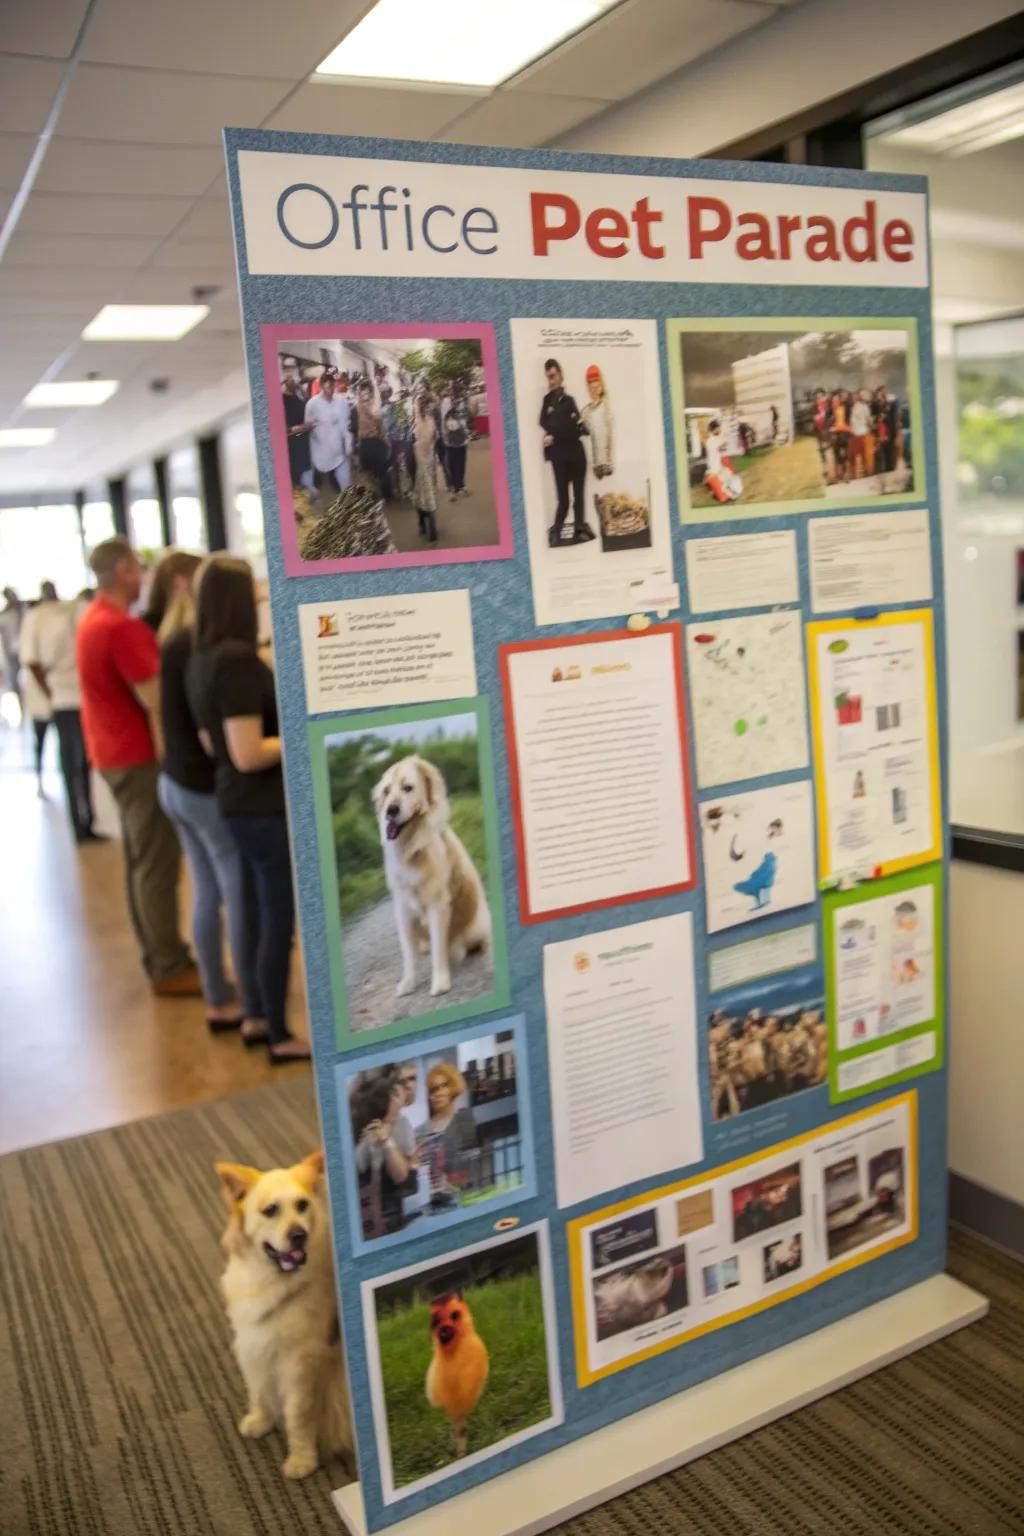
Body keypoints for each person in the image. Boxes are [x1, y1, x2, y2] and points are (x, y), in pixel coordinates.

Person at [186, 554, 309, 1061]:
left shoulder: (200, 657)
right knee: (275, 923)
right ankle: (279, 1033)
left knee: (258, 915)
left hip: (236, 804)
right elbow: (246, 751)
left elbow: (214, 746)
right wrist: (302, 735)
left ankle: (259, 1017)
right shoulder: (237, 661)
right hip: (262, 808)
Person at [148, 550, 266, 1038]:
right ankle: (251, 1006)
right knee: (236, 892)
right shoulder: (202, 648)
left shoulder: (171, 640)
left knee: (206, 891)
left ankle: (218, 997)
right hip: (203, 788)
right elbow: (210, 735)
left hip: (172, 782)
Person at [76, 537, 199, 994]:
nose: (144, 577)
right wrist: (174, 768)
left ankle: (160, 956)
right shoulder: (120, 629)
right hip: (138, 759)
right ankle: (169, 964)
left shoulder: (93, 621)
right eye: (137, 568)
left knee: (140, 861)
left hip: (112, 755)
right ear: (125, 570)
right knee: (156, 864)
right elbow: (156, 704)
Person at [20, 581, 99, 841]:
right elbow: (31, 661)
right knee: (68, 760)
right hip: (58, 698)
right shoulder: (36, 618)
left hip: (76, 695)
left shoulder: (73, 611)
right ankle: (78, 822)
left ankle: (87, 820)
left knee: (82, 760)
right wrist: (50, 693)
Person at [352, 1072, 416, 1239]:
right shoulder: (367, 1128)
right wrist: (368, 1144)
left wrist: (387, 1141)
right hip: (368, 1216)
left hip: (393, 1214)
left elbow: (401, 1175)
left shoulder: (404, 1125)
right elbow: (359, 1167)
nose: (401, 1096)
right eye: (394, 1094)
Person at [540, 358, 592, 547]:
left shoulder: (570, 401)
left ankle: (579, 529)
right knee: (563, 499)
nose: (551, 381)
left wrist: (583, 426)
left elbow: (579, 428)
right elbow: (544, 422)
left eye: (553, 376)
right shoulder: (547, 401)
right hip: (559, 457)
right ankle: (557, 530)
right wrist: (563, 428)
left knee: (579, 496)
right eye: (548, 377)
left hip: (577, 455)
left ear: (561, 375)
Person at [416, 1061, 478, 1208]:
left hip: (461, 1198)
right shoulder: (420, 1131)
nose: (437, 1094)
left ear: (453, 1088)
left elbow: (472, 1162)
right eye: (432, 1090)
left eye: (443, 1086)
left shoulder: (464, 1120)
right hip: (431, 1202)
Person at [295, 370, 353, 497]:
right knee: (310, 471)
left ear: (334, 386)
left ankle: (347, 501)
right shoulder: (312, 404)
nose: (329, 391)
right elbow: (307, 424)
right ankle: (310, 492)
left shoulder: (341, 401)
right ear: (321, 387)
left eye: (331, 387)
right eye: (326, 388)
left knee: (345, 481)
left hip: (338, 445)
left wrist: (348, 442)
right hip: (319, 445)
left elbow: (346, 424)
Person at [355, 380, 393, 501]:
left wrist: (385, 439)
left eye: (366, 392)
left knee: (381, 470)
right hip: (365, 442)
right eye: (362, 392)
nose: (364, 395)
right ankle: (372, 495)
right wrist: (359, 441)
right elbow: (359, 426)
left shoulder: (374, 406)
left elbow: (379, 422)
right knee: (366, 471)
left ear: (370, 393)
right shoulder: (358, 406)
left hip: (376, 441)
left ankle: (387, 494)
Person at [413, 392, 440, 542]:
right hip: (425, 459)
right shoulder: (425, 421)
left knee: (422, 491)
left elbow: (428, 440)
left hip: (425, 458)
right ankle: (425, 523)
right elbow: (430, 439)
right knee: (424, 490)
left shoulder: (424, 421)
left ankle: (424, 524)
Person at [580, 364, 613, 479]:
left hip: (606, 462)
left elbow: (609, 434)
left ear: (601, 386)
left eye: (596, 387)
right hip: (595, 464)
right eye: (591, 388)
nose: (594, 390)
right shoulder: (586, 411)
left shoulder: (606, 406)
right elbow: (583, 428)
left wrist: (609, 462)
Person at [440, 382, 471, 501]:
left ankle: (456, 487)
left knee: (453, 463)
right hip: (461, 437)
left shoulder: (446, 402)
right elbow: (466, 418)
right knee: (461, 462)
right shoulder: (462, 401)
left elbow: (443, 420)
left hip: (451, 437)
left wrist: (444, 434)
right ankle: (461, 485)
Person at [282, 375, 313, 491]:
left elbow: (308, 402)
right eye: (290, 381)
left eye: (294, 381)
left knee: (305, 466)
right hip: (293, 439)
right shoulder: (282, 400)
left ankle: (307, 488)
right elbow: (284, 428)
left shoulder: (298, 396)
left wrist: (300, 389)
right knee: (297, 469)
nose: (293, 383)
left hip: (303, 437)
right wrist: (299, 428)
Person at [0, 586, 23, 711]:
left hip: (20, 652)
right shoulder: (8, 614)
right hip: (12, 654)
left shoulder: (19, 612)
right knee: (15, 684)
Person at [848, 389, 873, 480]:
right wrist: (872, 427)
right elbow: (869, 420)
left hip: (857, 433)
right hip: (863, 433)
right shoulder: (864, 407)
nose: (867, 397)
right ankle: (866, 474)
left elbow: (852, 421)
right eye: (865, 395)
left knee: (858, 455)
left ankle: (859, 475)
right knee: (865, 455)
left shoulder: (855, 406)